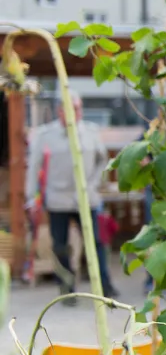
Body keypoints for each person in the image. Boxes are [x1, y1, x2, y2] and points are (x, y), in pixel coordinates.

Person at [27, 95, 118, 298]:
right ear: (60, 111)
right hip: (58, 198)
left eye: (79, 108)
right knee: (60, 245)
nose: (77, 112)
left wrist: (92, 184)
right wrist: (32, 197)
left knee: (96, 242)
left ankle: (104, 286)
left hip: (86, 198)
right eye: (72, 108)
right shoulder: (45, 135)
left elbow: (102, 162)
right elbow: (34, 167)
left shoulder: (90, 132)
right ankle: (67, 288)